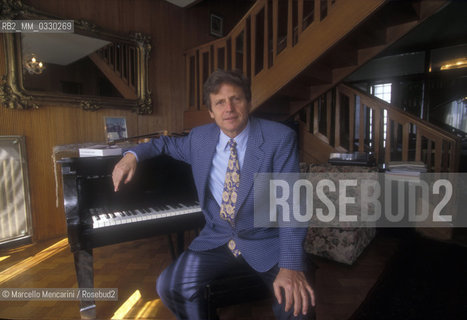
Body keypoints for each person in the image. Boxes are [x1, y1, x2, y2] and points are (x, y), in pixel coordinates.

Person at [112, 70, 315, 319]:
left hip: (266, 241)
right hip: (218, 240)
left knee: (297, 308)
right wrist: (131, 156)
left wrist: (291, 265)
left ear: (248, 103)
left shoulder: (279, 138)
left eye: (236, 99)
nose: (228, 108)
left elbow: (292, 206)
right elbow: (162, 143)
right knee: (169, 285)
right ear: (211, 111)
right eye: (220, 102)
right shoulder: (199, 138)